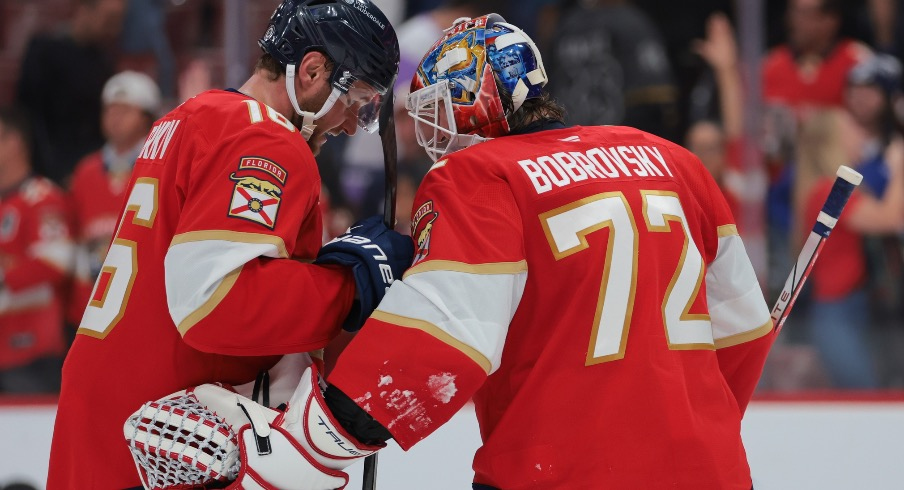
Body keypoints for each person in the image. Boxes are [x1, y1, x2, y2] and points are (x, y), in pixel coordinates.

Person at [131, 14, 774, 489]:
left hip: (557, 471)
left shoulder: (483, 176)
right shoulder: (670, 159)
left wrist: (315, 443)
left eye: (438, 110)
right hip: (709, 470)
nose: (429, 134)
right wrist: (695, 427)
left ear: (477, 102)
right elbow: (743, 329)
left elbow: (442, 336)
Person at [47, 0, 410, 488]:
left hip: (103, 410)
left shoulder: (185, 119)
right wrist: (349, 284)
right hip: (163, 439)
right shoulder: (265, 139)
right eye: (356, 98)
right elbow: (215, 303)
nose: (350, 124)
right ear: (312, 70)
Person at [67, 71, 162, 329]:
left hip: (140, 304)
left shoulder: (160, 166)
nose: (115, 118)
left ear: (147, 118)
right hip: (88, 305)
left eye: (125, 110)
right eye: (110, 110)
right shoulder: (85, 170)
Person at [0, 106, 76, 394]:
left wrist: (6, 274)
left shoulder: (43, 197)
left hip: (31, 349)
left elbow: (56, 262)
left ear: (14, 142)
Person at [16, 0, 126, 186]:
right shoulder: (43, 51)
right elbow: (31, 117)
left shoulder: (104, 62)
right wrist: (54, 171)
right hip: (49, 169)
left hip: (89, 170)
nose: (114, 29)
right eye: (109, 19)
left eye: (118, 21)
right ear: (84, 10)